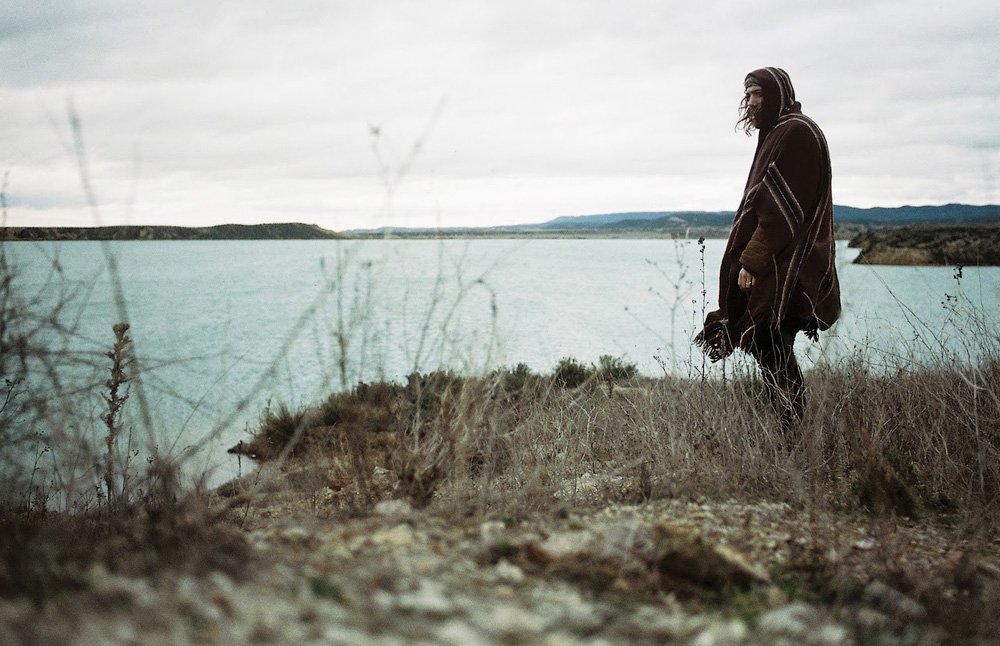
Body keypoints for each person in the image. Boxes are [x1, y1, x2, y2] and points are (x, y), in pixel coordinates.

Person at [696, 67, 841, 430]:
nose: (751, 102)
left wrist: (752, 263)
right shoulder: (778, 133)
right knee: (771, 348)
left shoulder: (797, 133)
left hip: (787, 265)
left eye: (757, 93)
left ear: (777, 93)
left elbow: (781, 213)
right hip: (780, 262)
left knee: (771, 343)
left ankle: (791, 429)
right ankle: (787, 429)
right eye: (747, 95)